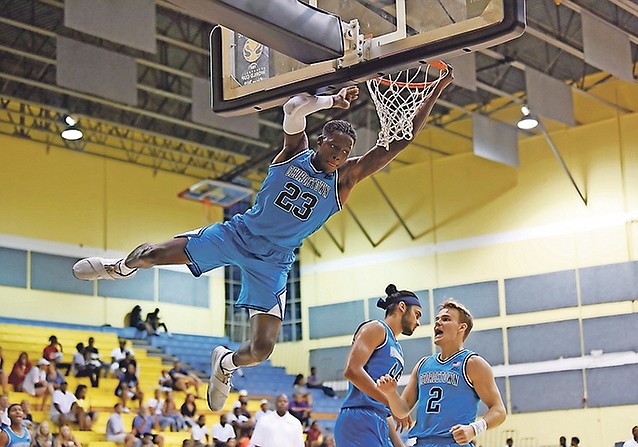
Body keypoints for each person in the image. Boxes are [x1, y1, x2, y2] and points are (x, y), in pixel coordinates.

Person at [72, 69, 454, 411]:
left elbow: (400, 141)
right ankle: (119, 268)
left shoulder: (345, 180)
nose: (338, 154)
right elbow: (293, 107)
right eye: (333, 146)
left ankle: (225, 364)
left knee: (262, 349)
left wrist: (435, 89)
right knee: (152, 253)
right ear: (320, 141)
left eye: (344, 151)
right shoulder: (292, 153)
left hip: (273, 261)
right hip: (237, 234)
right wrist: (331, 99)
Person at [377, 299, 506, 446]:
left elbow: (499, 410)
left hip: (453, 442)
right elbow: (402, 411)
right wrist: (391, 393)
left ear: (461, 327)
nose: (438, 323)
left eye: (446, 319)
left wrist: (474, 429)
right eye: (437, 319)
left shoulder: (472, 363)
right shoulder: (423, 364)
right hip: (422, 443)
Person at [333, 284, 423, 447]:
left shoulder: (398, 349)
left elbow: (383, 406)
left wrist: (399, 444)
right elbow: (352, 371)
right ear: (402, 307)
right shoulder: (376, 328)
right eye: (417, 315)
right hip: (358, 419)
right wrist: (395, 406)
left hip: (379, 420)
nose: (418, 322)